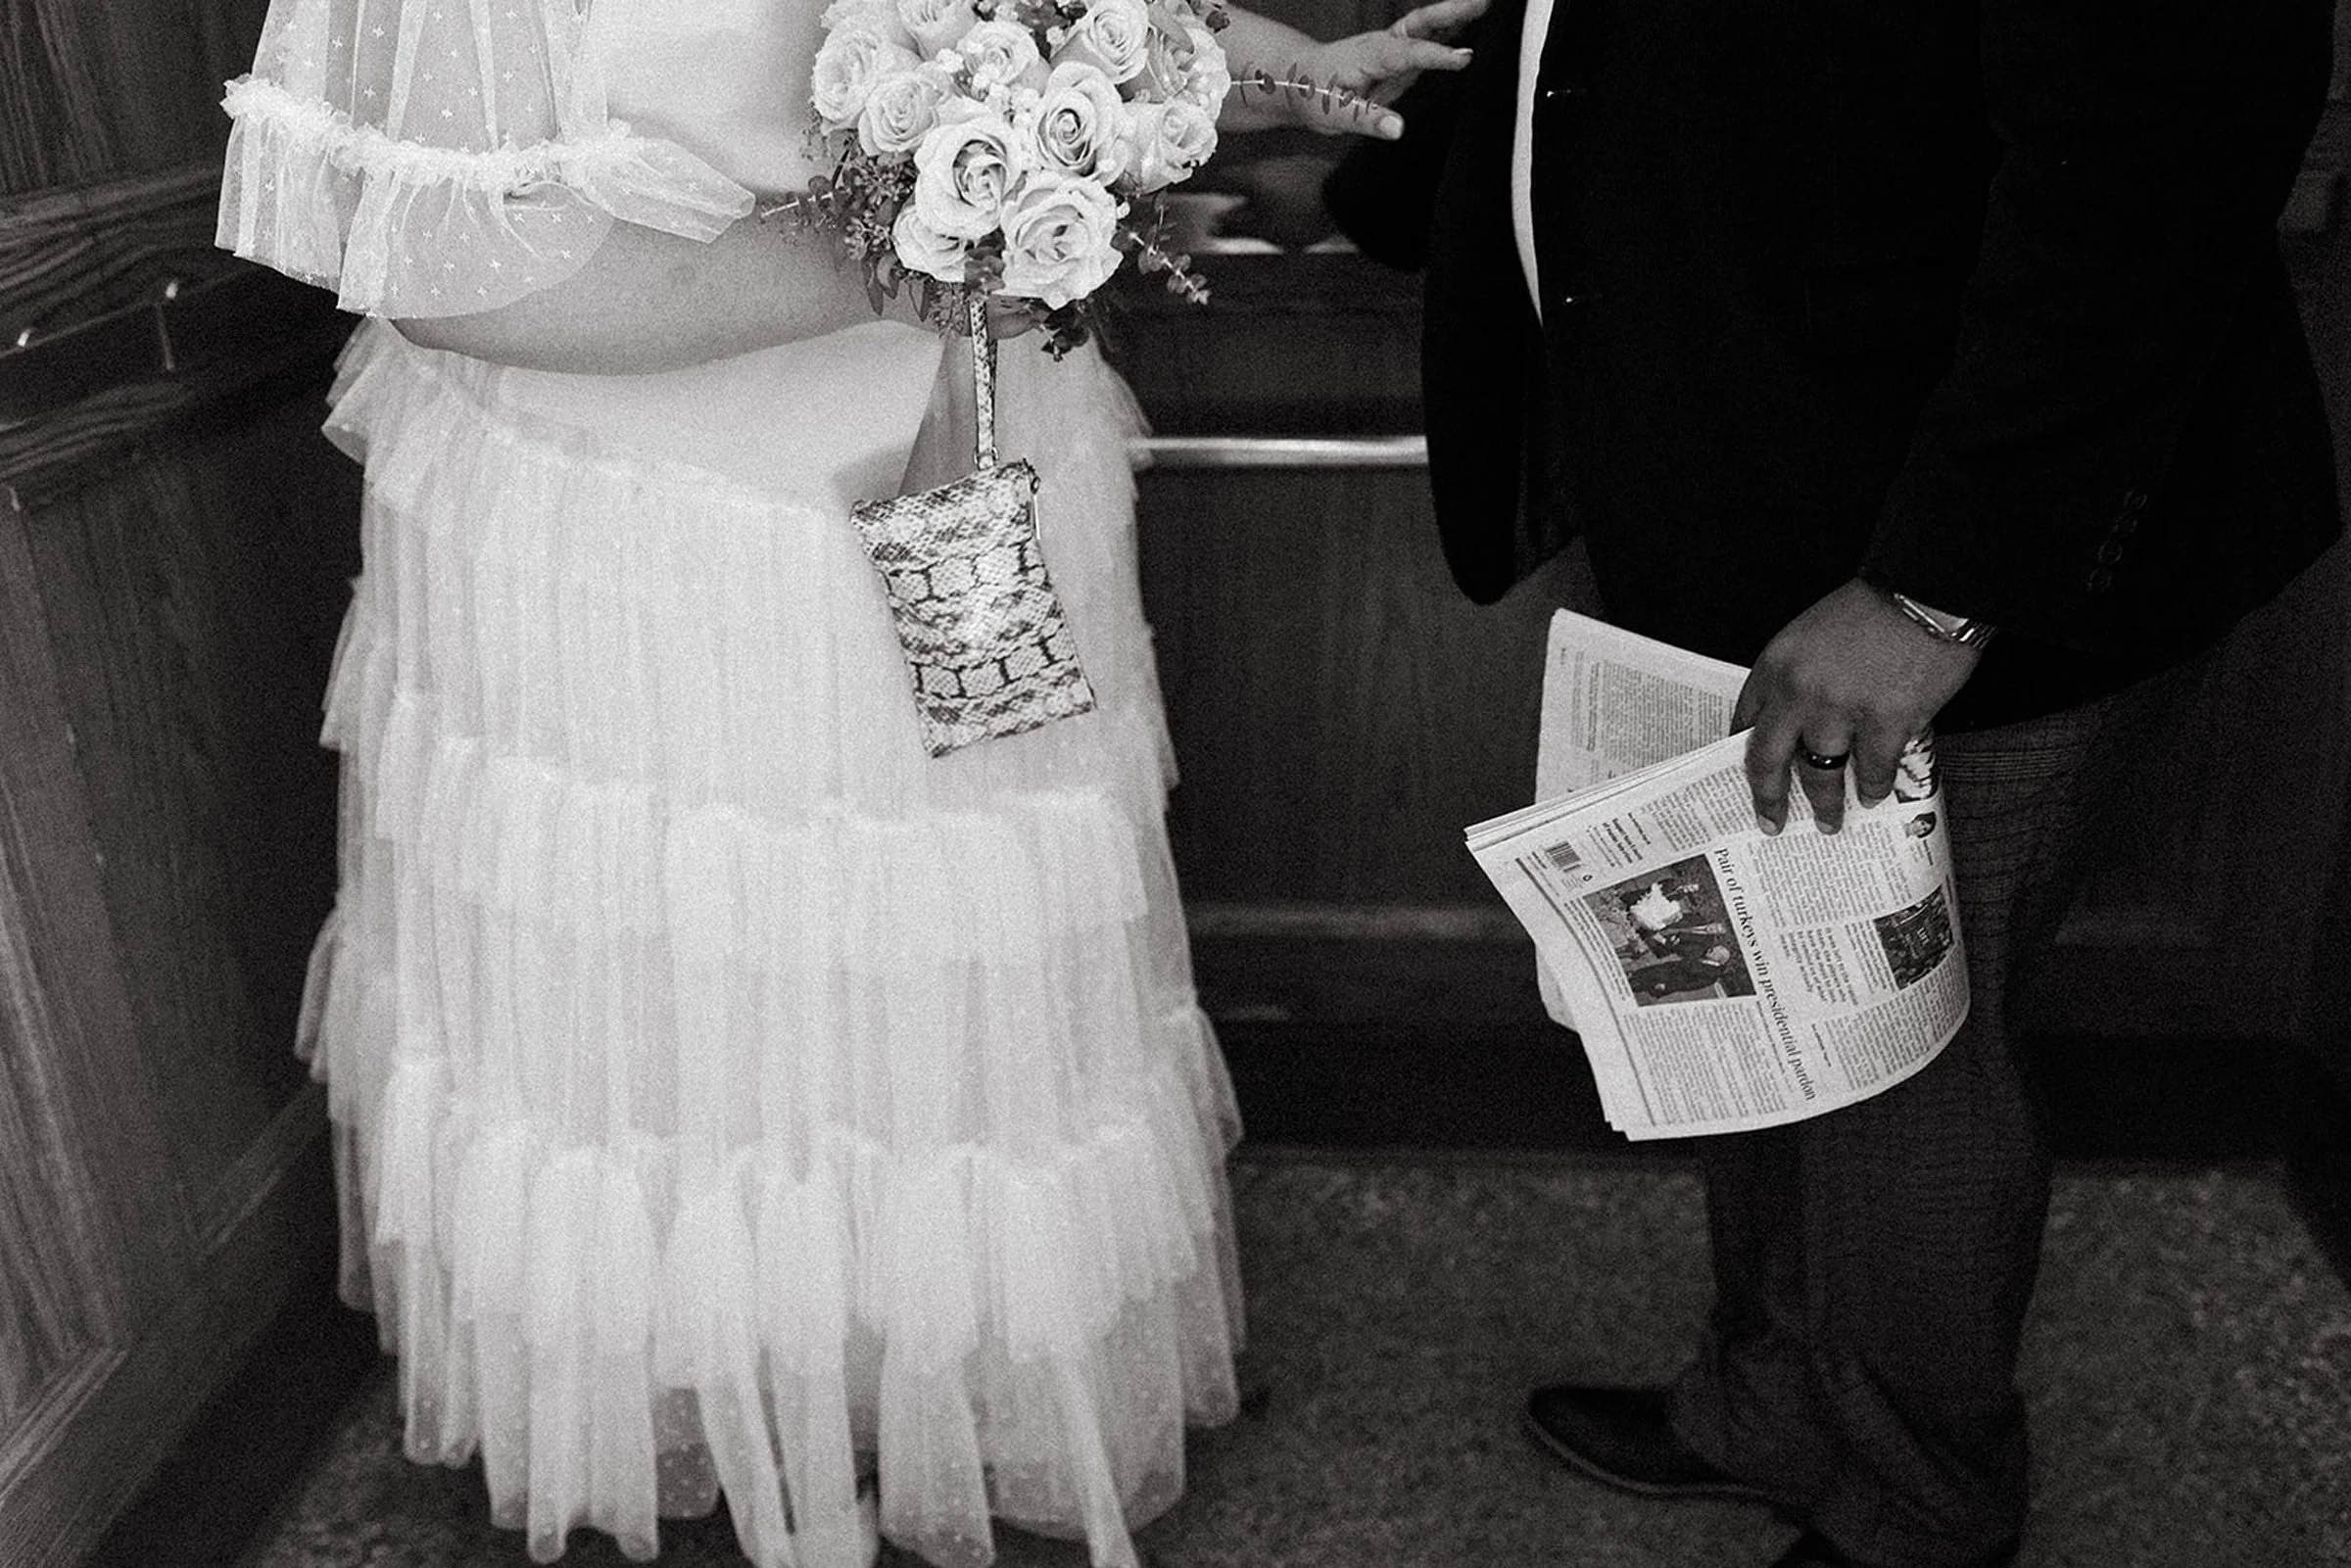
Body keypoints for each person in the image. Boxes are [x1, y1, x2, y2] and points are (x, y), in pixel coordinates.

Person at [216, 4, 1474, 1565]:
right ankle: (728, 1413)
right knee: (697, 992)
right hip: (665, 524)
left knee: (963, 959)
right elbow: (434, 259)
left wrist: (1258, 77)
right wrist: (927, 247)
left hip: (979, 444)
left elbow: (1064, 23)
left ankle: (936, 1393)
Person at [1337, 1, 2340, 1564]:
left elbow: (2159, 174)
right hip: (1734, 498)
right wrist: (1365, 171)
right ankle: (1771, 1403)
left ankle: (1922, 1510)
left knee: (1901, 1071)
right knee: (1757, 1007)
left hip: (1949, 558)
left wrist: (1932, 592)